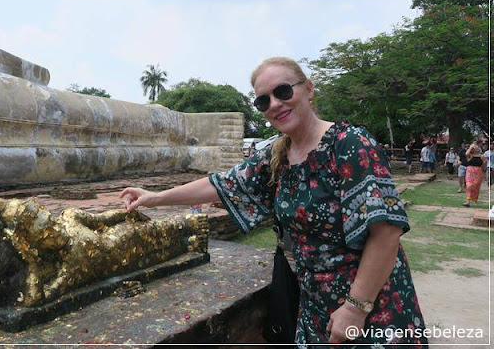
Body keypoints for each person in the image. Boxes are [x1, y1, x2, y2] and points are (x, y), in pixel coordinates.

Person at [120, 57, 427, 346]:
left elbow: (386, 231)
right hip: (314, 303)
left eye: (282, 91)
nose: (275, 104)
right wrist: (155, 198)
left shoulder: (349, 144)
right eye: (263, 100)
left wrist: (356, 308)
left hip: (372, 304)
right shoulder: (277, 156)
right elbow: (221, 184)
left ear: (307, 89)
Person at [463, 141, 485, 207]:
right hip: (470, 171)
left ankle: (475, 201)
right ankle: (468, 201)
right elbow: (466, 154)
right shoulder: (470, 156)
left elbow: (483, 165)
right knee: (469, 185)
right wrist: (470, 147)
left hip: (478, 172)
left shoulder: (482, 156)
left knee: (476, 187)